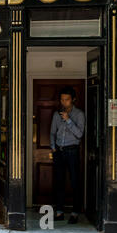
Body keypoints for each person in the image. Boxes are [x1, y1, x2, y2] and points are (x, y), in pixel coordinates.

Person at [50, 86, 85, 224]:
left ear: (73, 100)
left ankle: (75, 212)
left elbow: (79, 134)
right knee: (59, 182)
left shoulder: (79, 115)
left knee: (75, 182)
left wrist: (68, 120)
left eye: (67, 99)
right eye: (62, 99)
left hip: (72, 151)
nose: (64, 102)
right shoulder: (55, 114)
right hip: (59, 151)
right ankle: (59, 212)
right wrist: (53, 148)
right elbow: (52, 132)